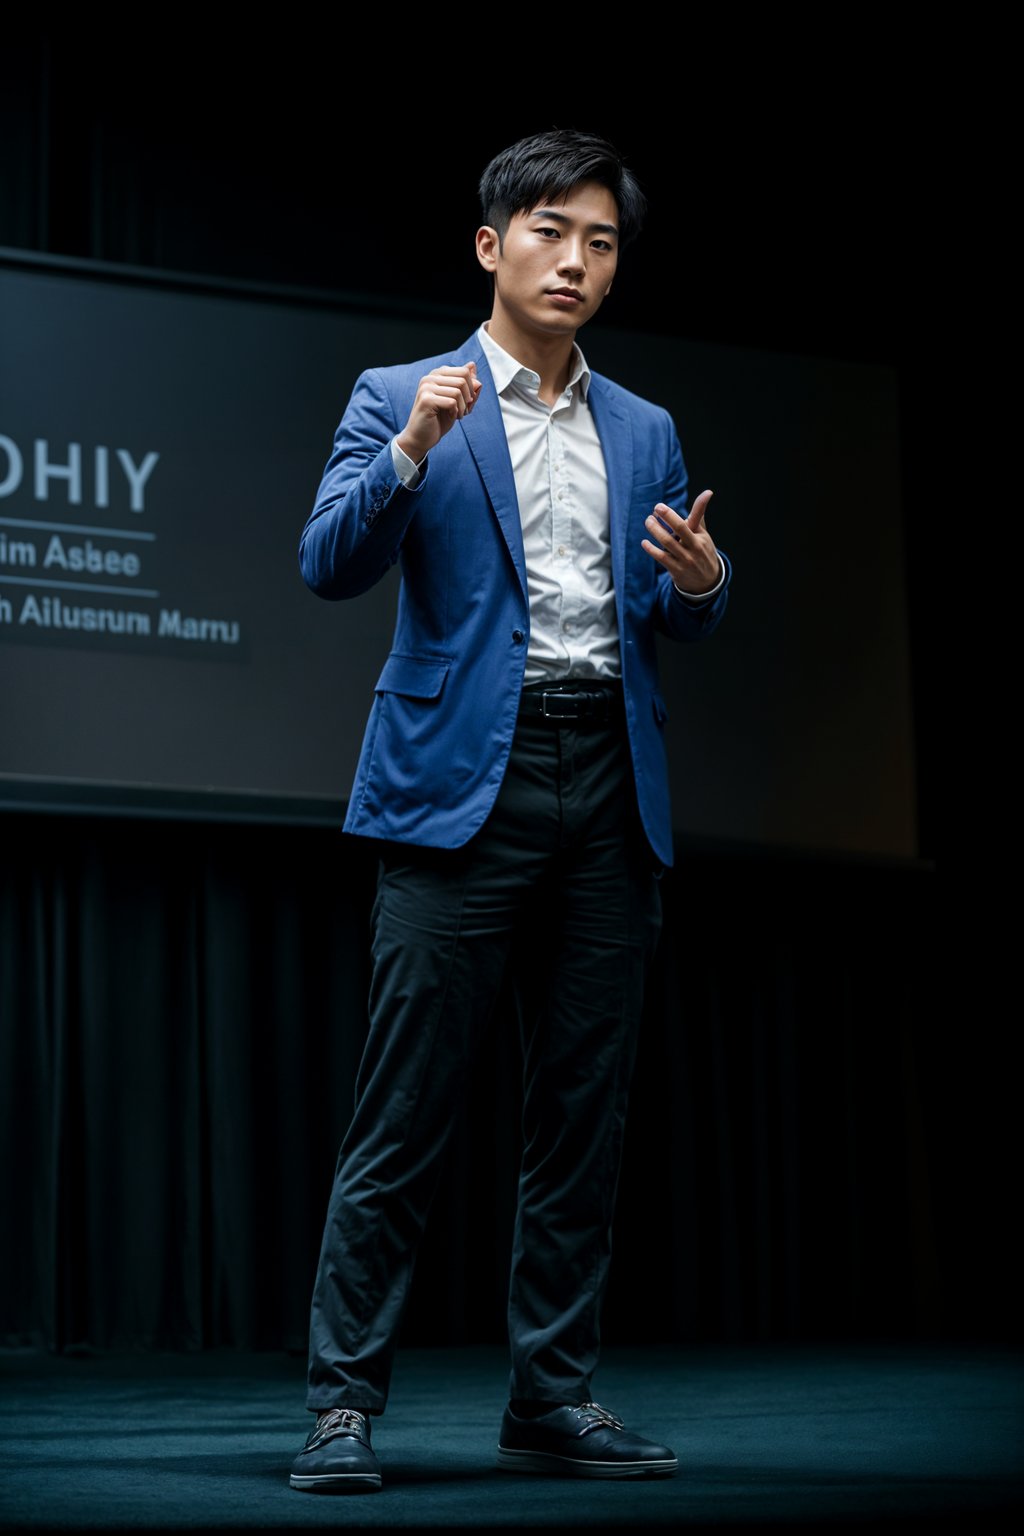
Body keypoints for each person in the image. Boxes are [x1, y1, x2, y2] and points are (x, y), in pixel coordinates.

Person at [290, 128, 731, 1494]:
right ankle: (342, 1407)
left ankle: (551, 1398)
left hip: (607, 779)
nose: (577, 261)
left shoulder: (643, 427)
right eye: (551, 231)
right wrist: (415, 449)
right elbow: (328, 564)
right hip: (456, 791)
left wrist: (703, 585)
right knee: (403, 1114)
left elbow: (658, 609)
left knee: (580, 1121)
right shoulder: (399, 393)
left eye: (601, 241)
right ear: (492, 246)